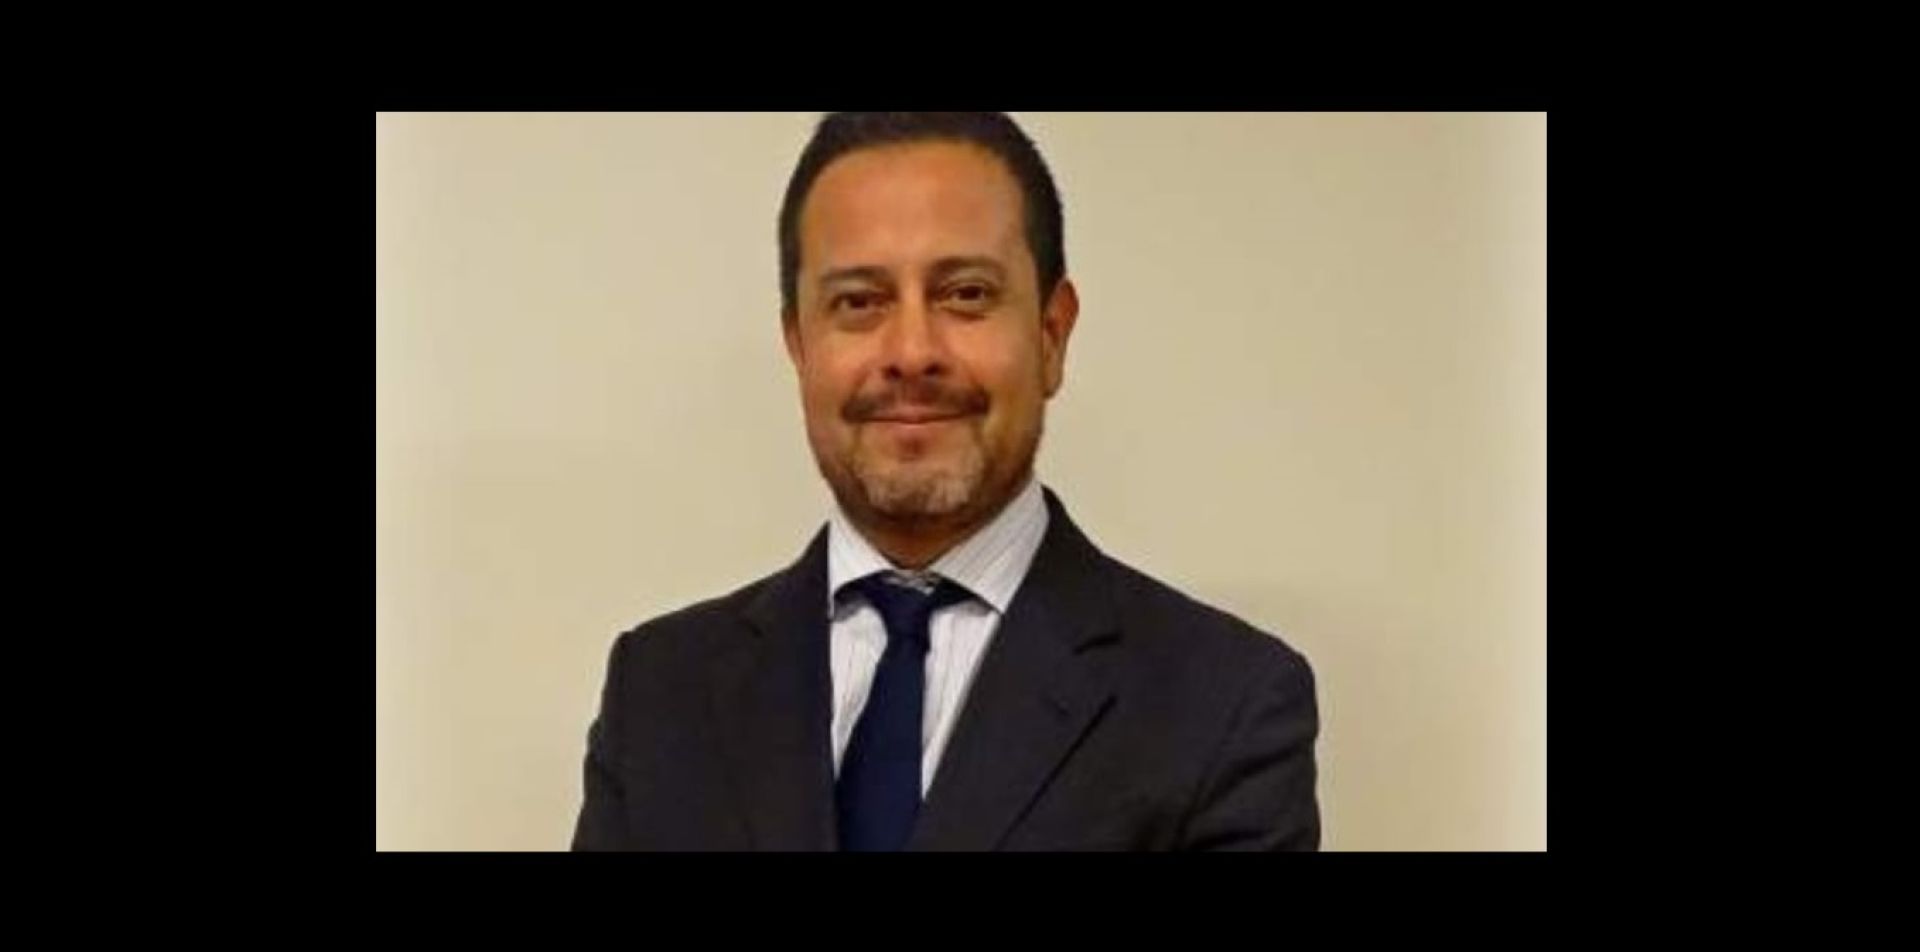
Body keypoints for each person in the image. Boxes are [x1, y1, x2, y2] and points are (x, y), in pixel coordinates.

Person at [571, 112, 1320, 851]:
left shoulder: (1224, 707)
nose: (911, 352)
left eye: (965, 294)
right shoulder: (659, 692)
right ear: (799, 345)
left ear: (1052, 335)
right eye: (858, 302)